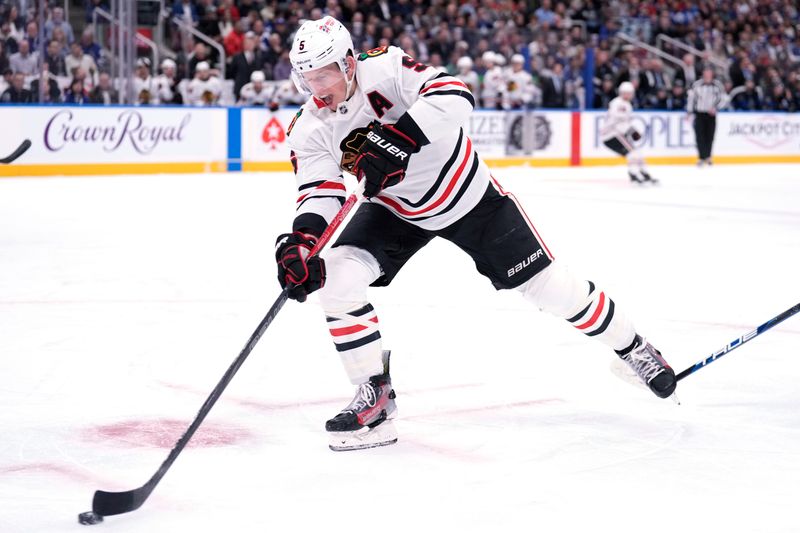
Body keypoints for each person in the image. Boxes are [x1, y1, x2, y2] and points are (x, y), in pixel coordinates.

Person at [275, 17, 677, 452]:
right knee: (335, 278)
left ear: (349, 63)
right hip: (394, 210)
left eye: (324, 74)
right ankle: (375, 398)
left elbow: (455, 95)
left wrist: (399, 140)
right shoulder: (308, 125)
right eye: (307, 77)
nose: (317, 87)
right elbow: (319, 190)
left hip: (467, 196)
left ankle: (632, 347)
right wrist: (302, 242)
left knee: (551, 289)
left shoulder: (386, 67)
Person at [600, 82, 655, 184]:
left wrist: (630, 130)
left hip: (616, 134)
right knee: (633, 153)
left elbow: (622, 122)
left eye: (629, 93)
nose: (627, 95)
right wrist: (631, 130)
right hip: (612, 134)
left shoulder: (624, 104)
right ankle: (634, 174)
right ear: (620, 93)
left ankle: (642, 173)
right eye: (625, 93)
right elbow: (618, 120)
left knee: (637, 153)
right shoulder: (619, 104)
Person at [687, 67, 725, 167]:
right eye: (706, 73)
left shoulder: (717, 85)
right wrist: (689, 112)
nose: (707, 75)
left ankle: (708, 156)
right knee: (699, 136)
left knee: (710, 136)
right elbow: (691, 99)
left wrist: (716, 108)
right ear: (703, 74)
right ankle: (701, 157)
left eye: (709, 73)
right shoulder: (697, 84)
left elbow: (723, 99)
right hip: (699, 113)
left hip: (711, 115)